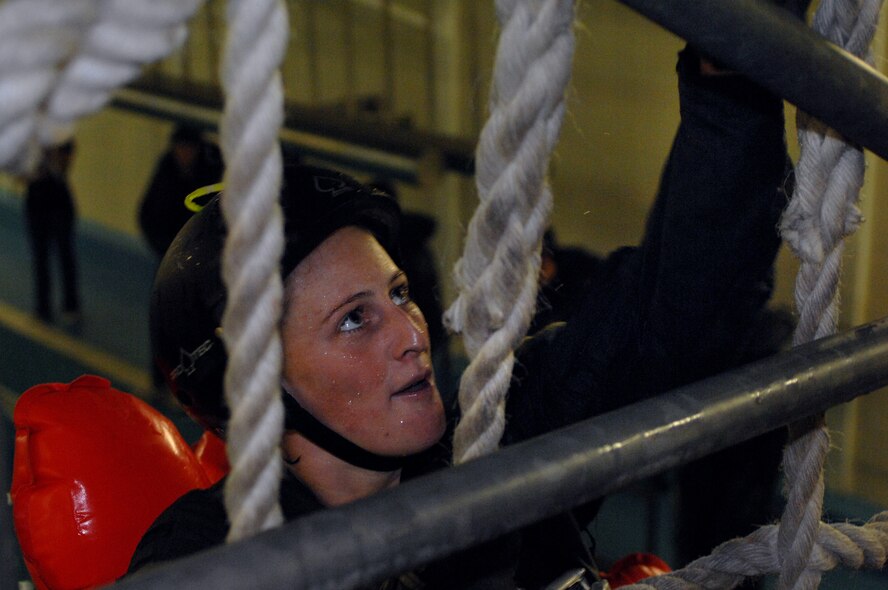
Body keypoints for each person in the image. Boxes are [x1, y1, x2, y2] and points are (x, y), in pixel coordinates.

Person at [127, 45, 793, 588]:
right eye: (354, 320)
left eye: (397, 294)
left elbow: (679, 306)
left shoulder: (495, 444)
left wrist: (729, 76)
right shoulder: (207, 556)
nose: (412, 333)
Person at [137, 123, 223, 261]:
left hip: (204, 248)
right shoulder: (167, 169)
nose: (184, 154)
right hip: (172, 247)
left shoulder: (213, 165)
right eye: (181, 147)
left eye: (189, 148)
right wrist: (165, 248)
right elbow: (149, 212)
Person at [24, 140, 81, 324]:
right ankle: (43, 306)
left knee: (65, 254)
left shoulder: (59, 130)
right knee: (41, 256)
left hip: (57, 200)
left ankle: (70, 304)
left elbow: (67, 157)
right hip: (37, 199)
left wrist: (55, 161)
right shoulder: (30, 132)